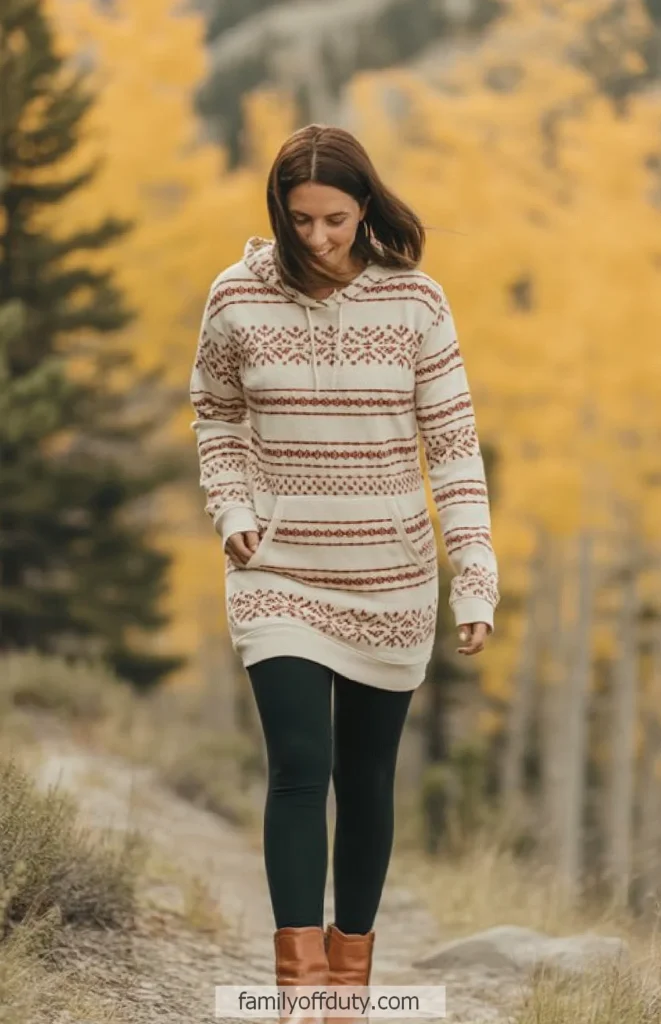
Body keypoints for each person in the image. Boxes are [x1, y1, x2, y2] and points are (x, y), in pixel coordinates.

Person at [189, 124, 499, 1023]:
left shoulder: (416, 303)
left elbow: (453, 449)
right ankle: (298, 998)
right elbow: (215, 414)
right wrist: (232, 509)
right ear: (277, 214)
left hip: (388, 576)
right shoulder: (236, 296)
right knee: (300, 765)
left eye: (333, 219)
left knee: (365, 782)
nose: (317, 237)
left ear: (364, 207)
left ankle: (347, 994)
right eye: (299, 221)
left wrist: (473, 574)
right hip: (277, 572)